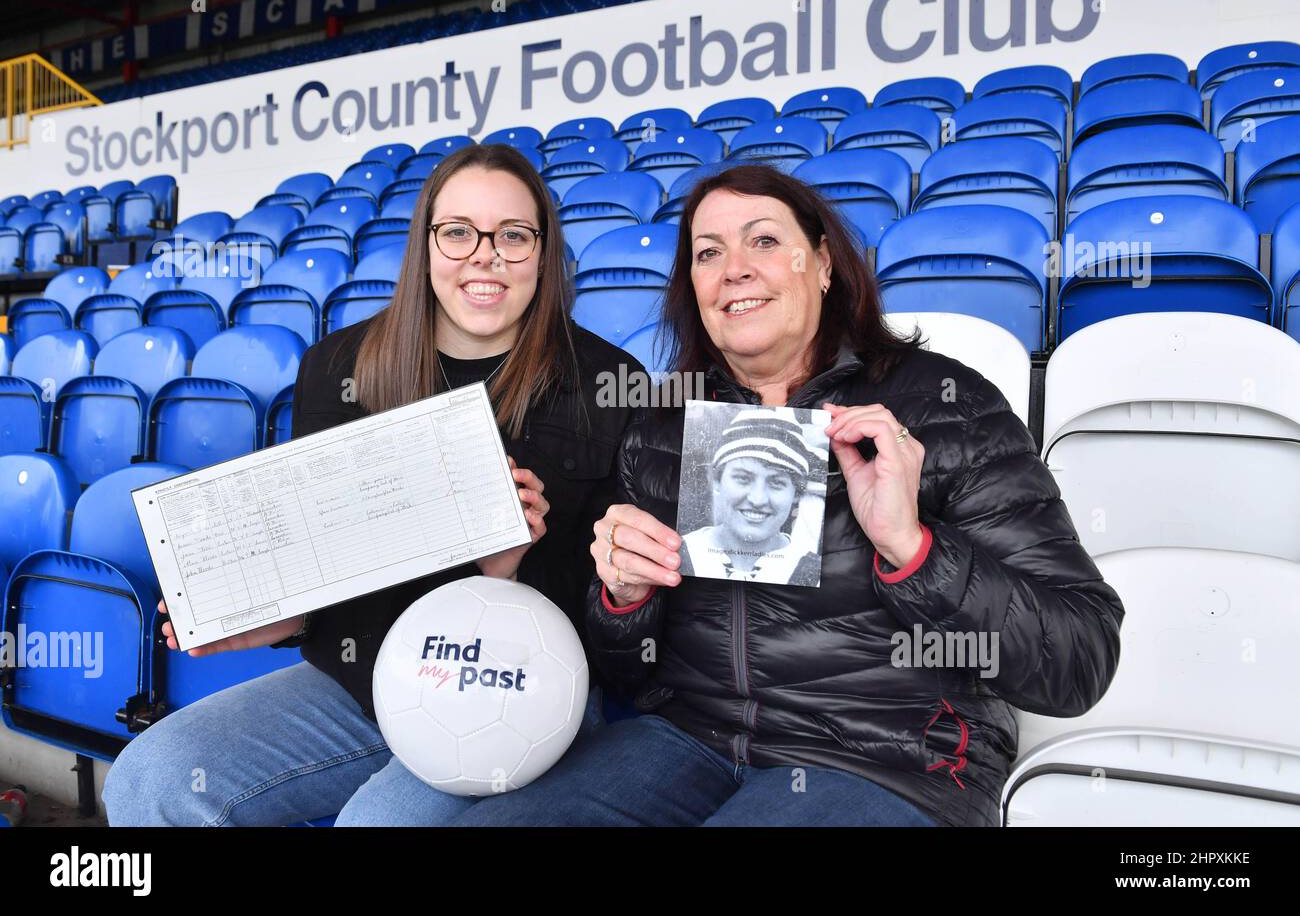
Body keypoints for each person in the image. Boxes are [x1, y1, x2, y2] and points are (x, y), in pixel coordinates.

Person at [446, 162, 1125, 828]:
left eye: (764, 241)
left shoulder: (946, 407)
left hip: (884, 758)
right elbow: (625, 674)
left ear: (824, 264)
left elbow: (1079, 661)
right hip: (685, 741)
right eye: (708, 252)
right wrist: (624, 598)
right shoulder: (661, 426)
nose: (734, 267)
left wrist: (913, 548)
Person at [103, 144, 642, 826]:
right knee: (150, 780)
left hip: (512, 694)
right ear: (426, 246)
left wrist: (504, 573)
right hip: (360, 684)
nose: (486, 254)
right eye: (458, 232)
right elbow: (322, 564)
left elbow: (618, 606)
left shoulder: (606, 381)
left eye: (513, 234)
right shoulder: (339, 365)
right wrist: (260, 618)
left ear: (542, 250)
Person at [679, 406, 821, 585]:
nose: (757, 499)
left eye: (776, 483)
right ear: (717, 480)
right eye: (743, 478)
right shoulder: (677, 554)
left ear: (796, 494)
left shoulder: (812, 573)